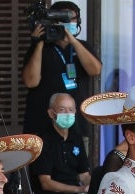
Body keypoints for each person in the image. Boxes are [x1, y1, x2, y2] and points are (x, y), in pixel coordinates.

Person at [21, 1, 101, 136]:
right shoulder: (40, 48)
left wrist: (73, 42)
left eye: (72, 19)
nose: (68, 22)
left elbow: (95, 70)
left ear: (78, 21)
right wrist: (40, 42)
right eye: (62, 19)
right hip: (42, 123)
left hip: (76, 123)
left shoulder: (83, 46)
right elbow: (31, 81)